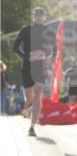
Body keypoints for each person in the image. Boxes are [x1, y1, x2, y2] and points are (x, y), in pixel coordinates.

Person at [14, 7, 56, 137]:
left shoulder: (48, 31)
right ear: (33, 16)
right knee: (30, 97)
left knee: (38, 92)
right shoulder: (25, 30)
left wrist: (51, 58)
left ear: (45, 17)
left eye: (41, 15)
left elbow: (55, 48)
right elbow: (15, 47)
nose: (39, 17)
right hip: (27, 66)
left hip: (41, 66)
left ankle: (32, 127)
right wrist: (26, 57)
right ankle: (31, 108)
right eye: (37, 15)